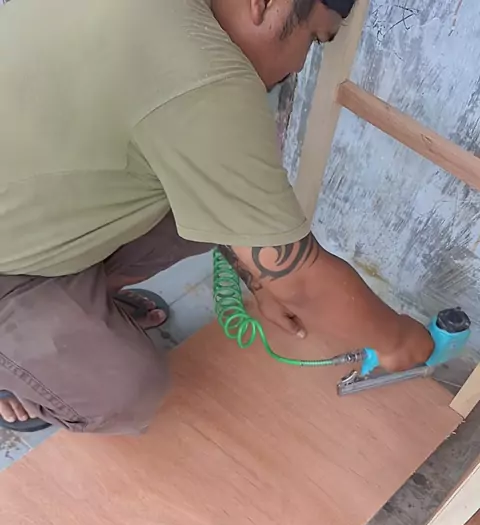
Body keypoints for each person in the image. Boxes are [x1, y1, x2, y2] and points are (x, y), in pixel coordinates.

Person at [0, 0, 433, 433]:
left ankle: (76, 310)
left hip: (27, 212)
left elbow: (237, 208)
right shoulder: (203, 72)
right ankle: (17, 372)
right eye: (313, 38)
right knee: (126, 391)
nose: (300, 65)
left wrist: (258, 277)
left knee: (211, 202)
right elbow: (300, 278)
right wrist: (397, 341)